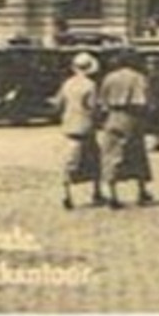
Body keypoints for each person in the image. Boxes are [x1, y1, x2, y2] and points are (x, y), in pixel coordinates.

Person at [96, 50, 155, 208]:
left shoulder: (109, 78)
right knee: (137, 154)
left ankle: (112, 195)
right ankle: (141, 191)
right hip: (133, 118)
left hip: (113, 117)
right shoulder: (139, 78)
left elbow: (101, 102)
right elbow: (145, 101)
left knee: (111, 155)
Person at [51, 52, 104, 209]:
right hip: (86, 126)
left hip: (69, 126)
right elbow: (94, 107)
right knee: (94, 159)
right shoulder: (90, 85)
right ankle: (97, 192)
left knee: (70, 162)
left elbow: (58, 103)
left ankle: (66, 195)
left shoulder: (67, 84)